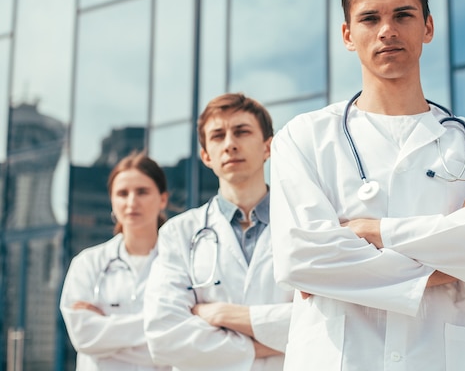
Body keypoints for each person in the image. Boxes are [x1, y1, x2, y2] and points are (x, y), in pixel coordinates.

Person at [270, 0, 465, 370]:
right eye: (370, 18)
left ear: (427, 26)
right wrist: (454, 260)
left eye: (403, 15)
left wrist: (374, 232)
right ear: (347, 34)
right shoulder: (303, 138)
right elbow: (302, 259)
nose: (387, 31)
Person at [143, 93, 293, 371]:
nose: (230, 144)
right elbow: (164, 336)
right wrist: (263, 345)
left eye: (242, 132)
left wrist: (225, 315)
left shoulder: (302, 222)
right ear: (205, 156)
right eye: (217, 136)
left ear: (267, 147)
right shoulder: (179, 233)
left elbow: (325, 317)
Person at [60, 152, 171, 371]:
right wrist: (161, 326)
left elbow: (187, 338)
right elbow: (84, 336)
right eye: (122, 193)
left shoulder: (181, 264)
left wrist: (107, 330)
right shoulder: (87, 264)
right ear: (112, 201)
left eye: (142, 192)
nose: (132, 202)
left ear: (163, 199)